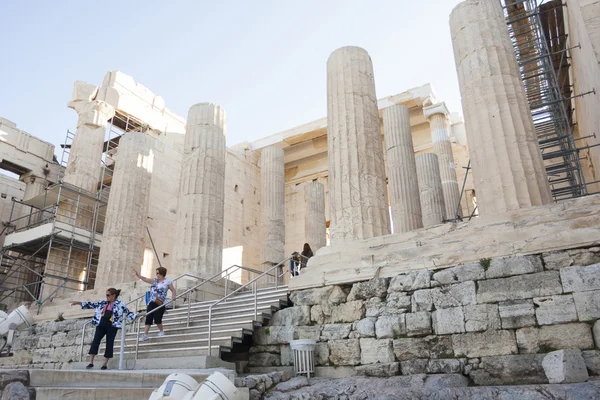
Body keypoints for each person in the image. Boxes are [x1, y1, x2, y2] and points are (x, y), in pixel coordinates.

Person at [71, 288, 136, 370]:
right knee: (95, 341)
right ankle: (91, 362)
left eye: (108, 295)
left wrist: (135, 316)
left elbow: (127, 313)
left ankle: (105, 363)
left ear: (113, 296)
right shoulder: (103, 302)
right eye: (106, 295)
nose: (107, 297)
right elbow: (92, 305)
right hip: (101, 323)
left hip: (112, 325)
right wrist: (79, 303)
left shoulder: (120, 304)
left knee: (109, 343)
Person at [131, 266, 176, 341]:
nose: (156, 274)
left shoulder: (168, 282)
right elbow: (145, 279)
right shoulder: (155, 280)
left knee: (157, 319)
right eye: (156, 273)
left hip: (161, 302)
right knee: (148, 317)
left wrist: (173, 296)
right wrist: (138, 275)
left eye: (158, 273)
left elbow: (173, 290)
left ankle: (161, 331)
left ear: (162, 274)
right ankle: (145, 335)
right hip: (152, 301)